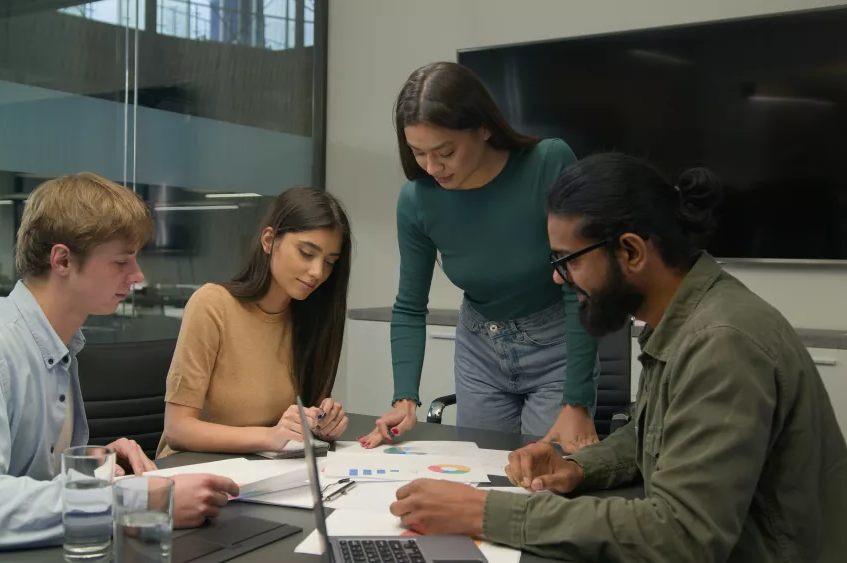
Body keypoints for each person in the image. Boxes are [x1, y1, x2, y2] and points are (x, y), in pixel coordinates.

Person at [387, 154, 847, 562]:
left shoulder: (722, 342)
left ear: (630, 250)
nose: (558, 278)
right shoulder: (684, 317)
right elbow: (656, 435)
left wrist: (486, 512)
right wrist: (578, 467)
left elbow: (683, 537)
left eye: (568, 260)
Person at [0, 173, 239, 551]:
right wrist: (131, 502)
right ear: (62, 259)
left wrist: (90, 467)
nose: (137, 276)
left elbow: (17, 480)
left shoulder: (57, 343)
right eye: (121, 261)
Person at [363, 61, 599, 452]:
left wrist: (577, 400)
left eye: (445, 152)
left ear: (484, 127)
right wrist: (404, 398)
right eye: (418, 153)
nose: (432, 167)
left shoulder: (548, 163)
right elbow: (409, 306)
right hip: (480, 353)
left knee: (544, 476)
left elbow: (581, 284)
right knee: (480, 474)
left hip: (557, 349)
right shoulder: (417, 201)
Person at [157, 187, 352, 456]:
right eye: (307, 253)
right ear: (269, 240)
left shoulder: (310, 319)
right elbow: (177, 430)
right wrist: (270, 437)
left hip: (266, 470)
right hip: (194, 468)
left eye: (330, 262)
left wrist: (321, 423)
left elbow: (294, 424)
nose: (318, 272)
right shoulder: (212, 304)